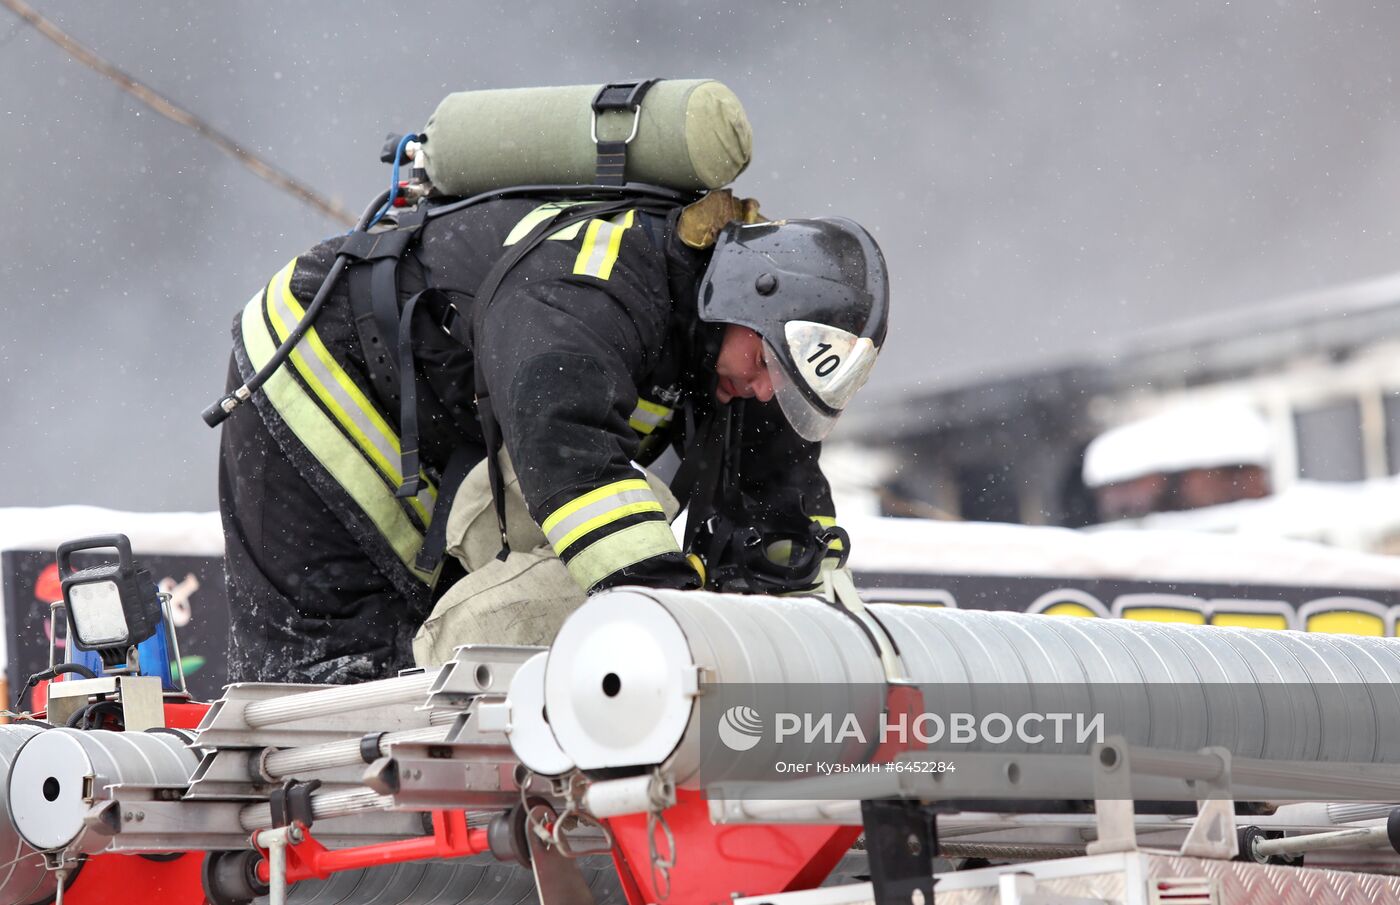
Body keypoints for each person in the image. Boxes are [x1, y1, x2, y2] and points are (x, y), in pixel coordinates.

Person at [217, 190, 889, 684]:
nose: (768, 390)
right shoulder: (592, 291)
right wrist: (683, 634)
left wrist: (851, 658)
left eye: (791, 386)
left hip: (442, 426)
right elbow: (573, 464)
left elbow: (785, 525)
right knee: (336, 693)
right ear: (748, 296)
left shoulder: (742, 356)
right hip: (314, 372)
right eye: (769, 364)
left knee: (420, 681)